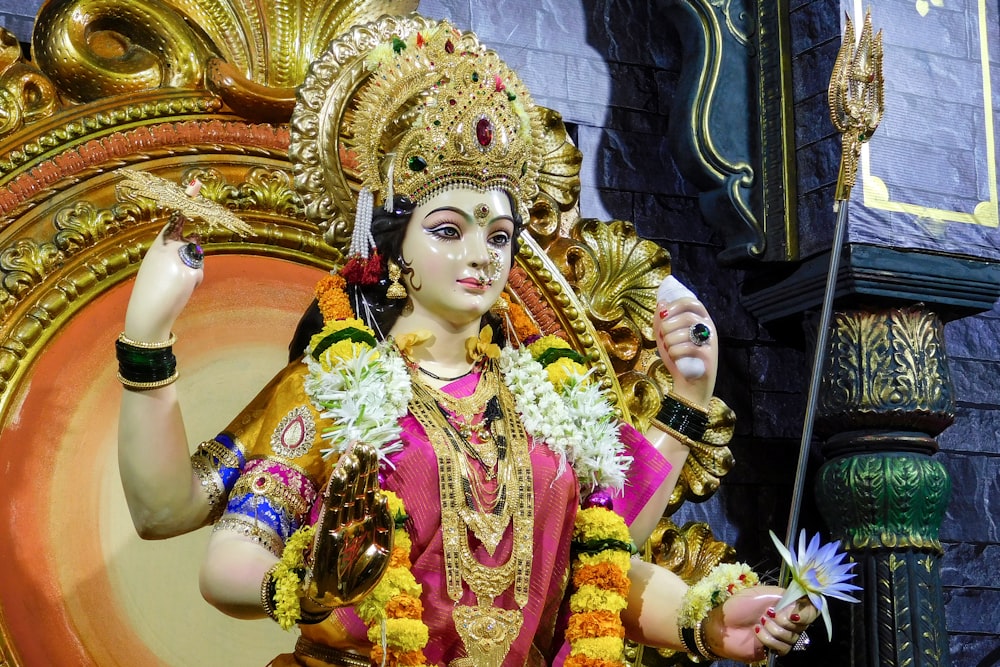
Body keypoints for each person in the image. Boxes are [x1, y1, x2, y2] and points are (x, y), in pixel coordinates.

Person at [116, 15, 818, 667]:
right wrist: (307, 579)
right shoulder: (335, 387)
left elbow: (599, 560)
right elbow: (223, 553)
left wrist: (708, 617)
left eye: (501, 236)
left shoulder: (547, 400)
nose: (482, 254)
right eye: (450, 230)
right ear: (393, 251)